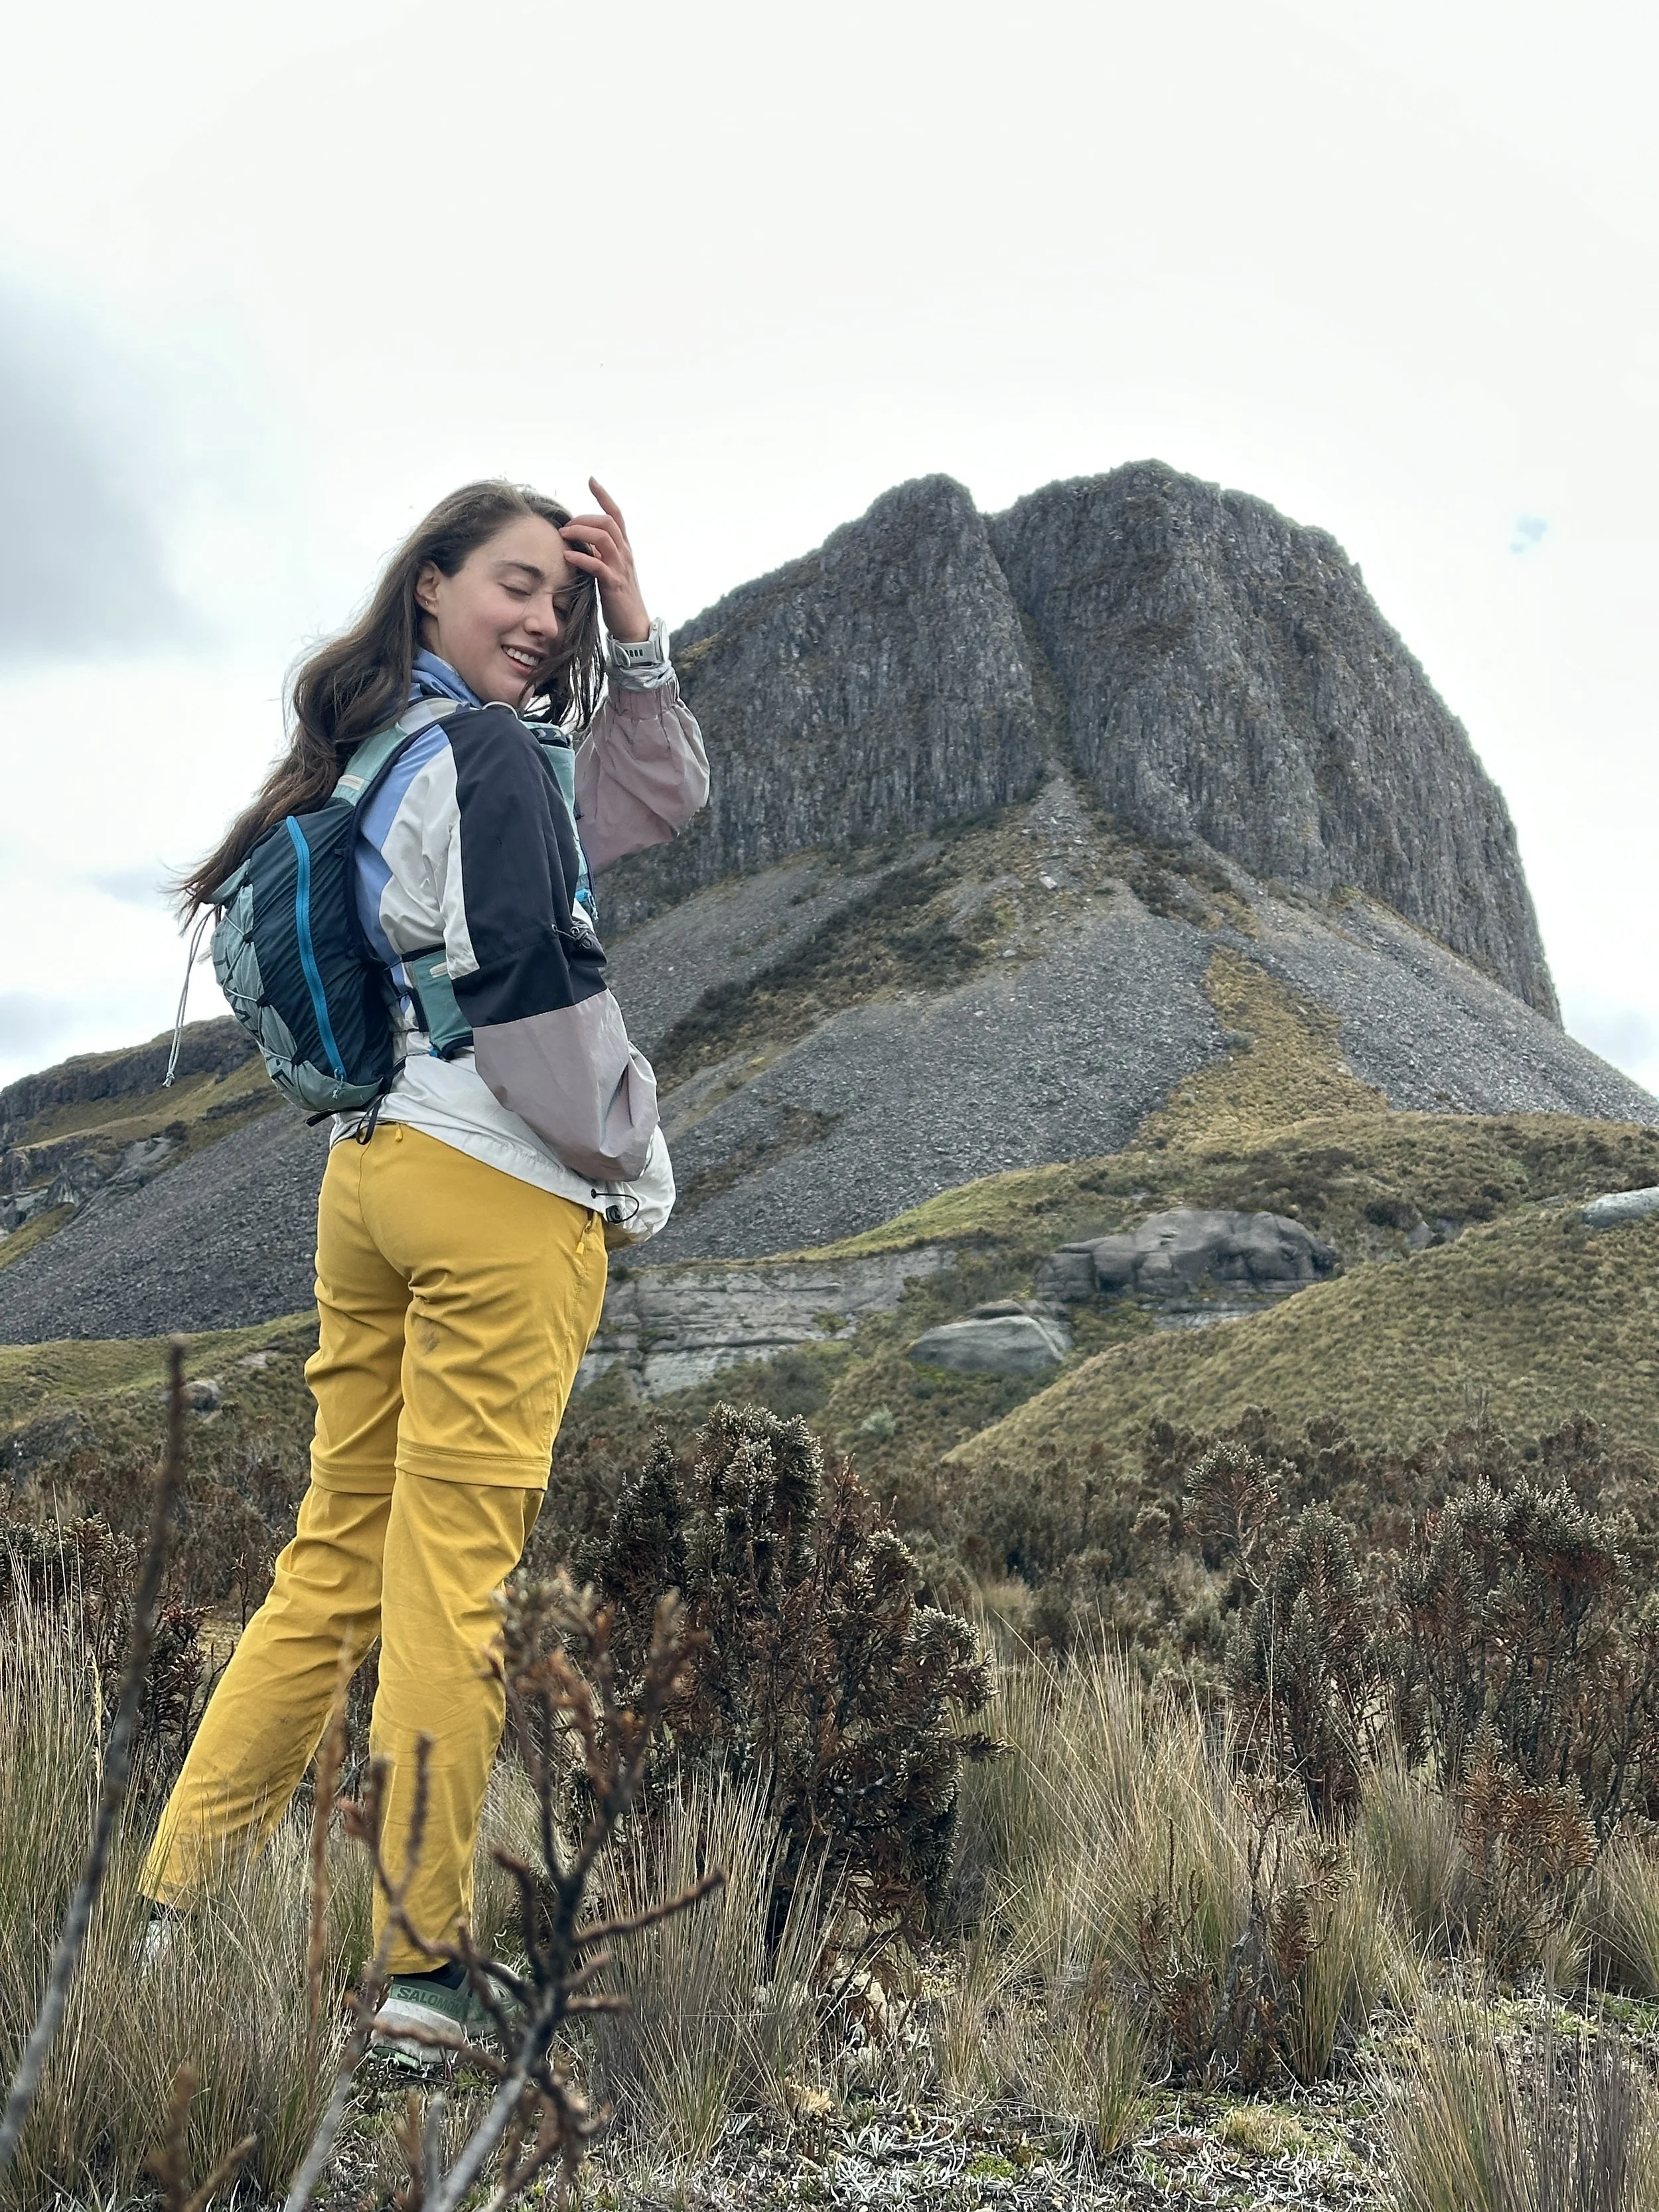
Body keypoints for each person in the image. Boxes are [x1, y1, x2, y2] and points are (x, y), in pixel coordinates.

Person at [142, 478, 707, 2056]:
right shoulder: (489, 761)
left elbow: (651, 802)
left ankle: (170, 1908)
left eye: (564, 605)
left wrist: (639, 643)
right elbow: (534, 990)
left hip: (368, 1182)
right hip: (492, 1193)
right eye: (514, 586)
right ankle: (421, 1976)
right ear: (432, 583)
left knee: (333, 1560)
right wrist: (632, 1164)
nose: (543, 622)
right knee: (448, 1582)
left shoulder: (390, 751)